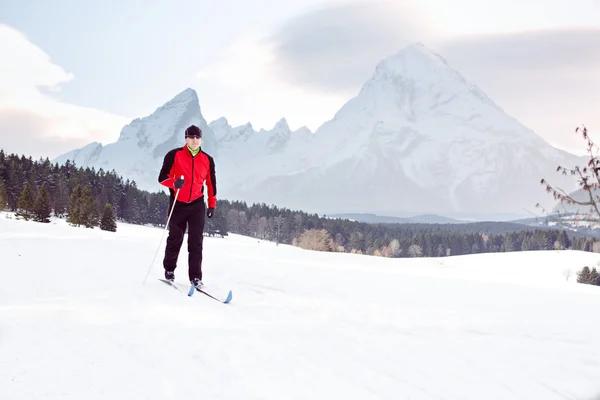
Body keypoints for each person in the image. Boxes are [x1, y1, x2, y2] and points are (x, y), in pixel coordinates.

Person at [157, 124, 216, 289]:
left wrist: (211, 205)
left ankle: (196, 277)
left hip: (197, 204)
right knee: (175, 238)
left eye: (197, 137)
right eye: (191, 137)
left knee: (196, 242)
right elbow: (162, 178)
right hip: (178, 203)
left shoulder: (207, 160)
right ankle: (169, 270)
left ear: (201, 139)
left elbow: (211, 184)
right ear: (186, 138)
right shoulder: (173, 155)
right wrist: (174, 183)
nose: (194, 140)